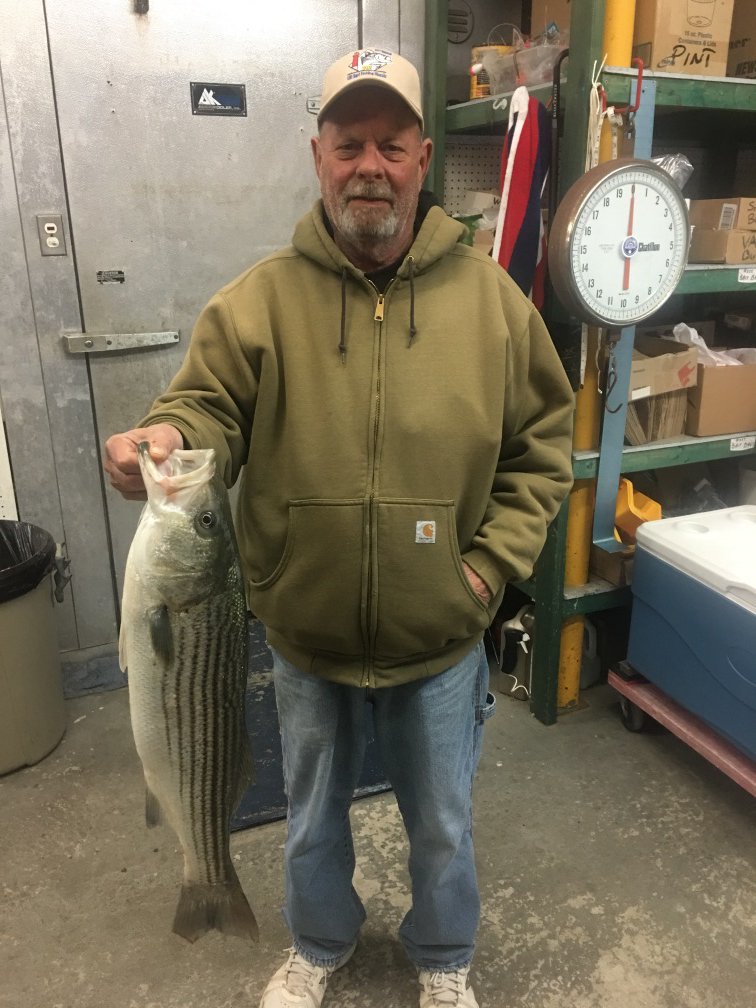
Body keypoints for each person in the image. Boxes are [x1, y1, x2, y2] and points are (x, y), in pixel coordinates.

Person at [104, 47, 574, 1008]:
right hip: (308, 637)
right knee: (313, 818)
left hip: (440, 637)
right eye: (349, 142)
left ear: (423, 157)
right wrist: (165, 437)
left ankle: (443, 961)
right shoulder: (258, 303)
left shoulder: (495, 308)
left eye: (391, 145)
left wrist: (484, 572)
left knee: (441, 822)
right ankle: (319, 941)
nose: (371, 165)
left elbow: (544, 449)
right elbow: (206, 410)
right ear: (318, 155)